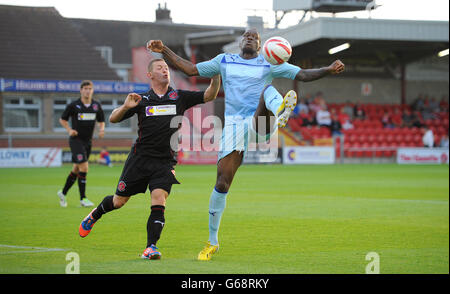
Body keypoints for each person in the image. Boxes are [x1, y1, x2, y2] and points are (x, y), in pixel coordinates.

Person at [147, 28, 345, 261]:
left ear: (260, 46)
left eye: (255, 37)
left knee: (267, 91)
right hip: (232, 126)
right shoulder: (224, 61)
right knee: (222, 182)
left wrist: (328, 70)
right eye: (247, 36)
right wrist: (165, 50)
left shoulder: (269, 62)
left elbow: (302, 74)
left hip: (259, 120)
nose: (250, 38)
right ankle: (212, 242)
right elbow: (189, 69)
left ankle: (280, 109)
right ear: (241, 42)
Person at [78, 58, 221, 260]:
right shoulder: (141, 99)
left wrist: (216, 74)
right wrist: (126, 106)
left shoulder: (179, 96)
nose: (165, 70)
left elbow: (209, 95)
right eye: (159, 68)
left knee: (159, 199)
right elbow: (113, 119)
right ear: (150, 75)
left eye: (166, 68)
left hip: (165, 161)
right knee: (119, 202)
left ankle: (150, 247)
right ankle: (95, 215)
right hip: (140, 159)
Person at [57, 80, 105, 208]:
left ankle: (63, 193)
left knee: (76, 169)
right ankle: (83, 198)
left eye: (90, 88)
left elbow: (101, 120)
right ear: (81, 90)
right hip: (76, 140)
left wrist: (101, 129)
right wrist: (69, 130)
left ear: (92, 90)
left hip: (88, 142)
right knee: (84, 167)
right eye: (85, 88)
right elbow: (62, 119)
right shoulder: (74, 105)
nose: (87, 91)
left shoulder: (96, 106)